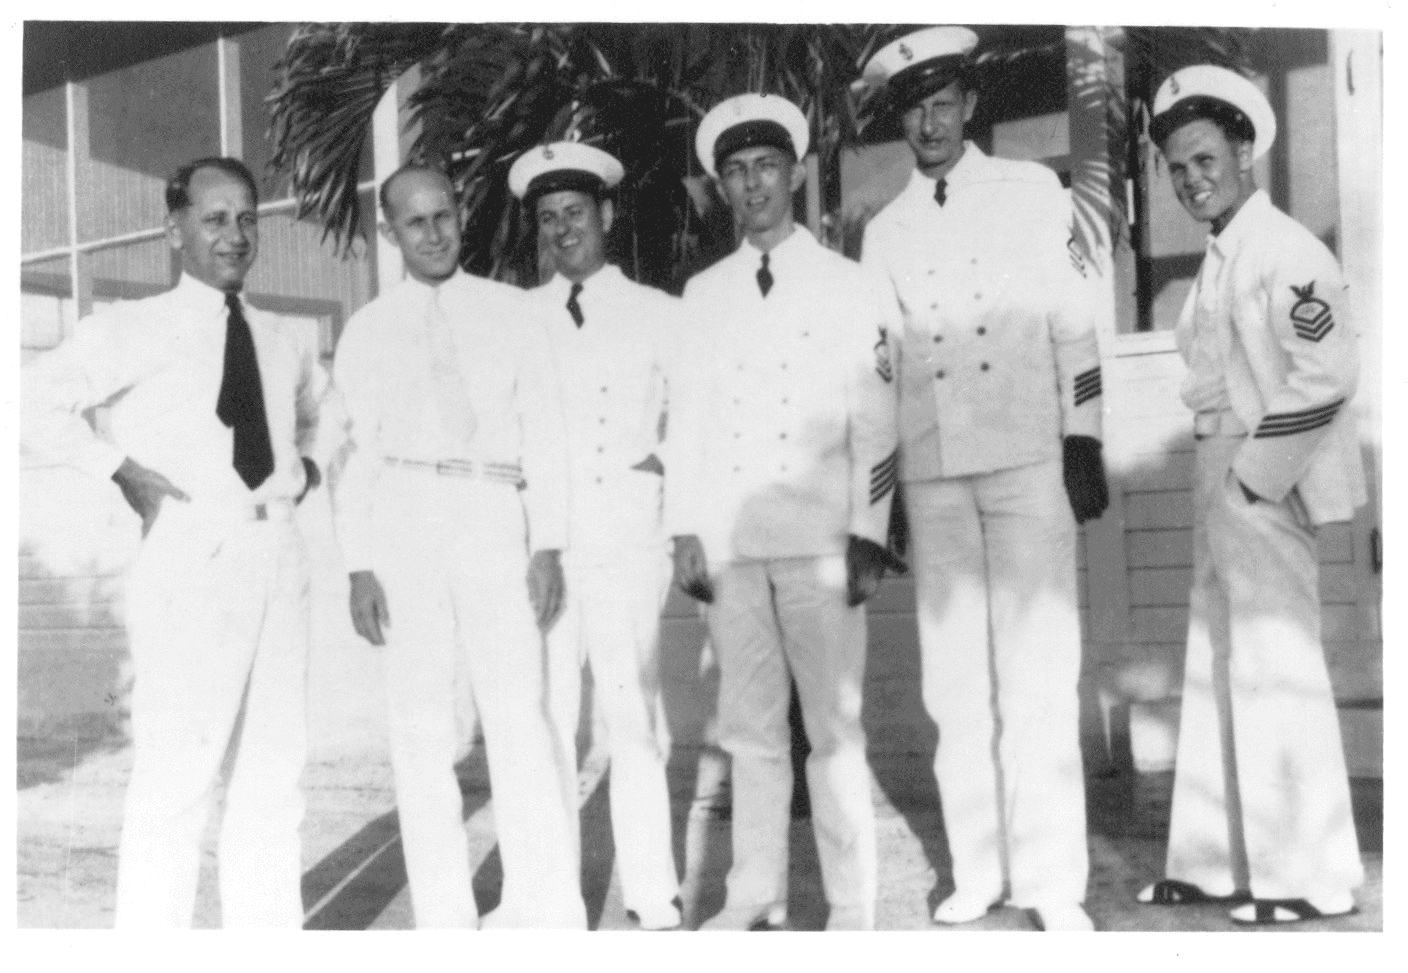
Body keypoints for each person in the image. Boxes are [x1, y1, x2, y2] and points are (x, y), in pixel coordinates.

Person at [21, 157, 330, 928]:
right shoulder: (133, 327)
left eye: (248, 218)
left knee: (272, 779)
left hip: (278, 553)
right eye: (215, 218)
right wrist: (118, 469)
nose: (235, 235)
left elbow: (329, 417)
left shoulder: (282, 338)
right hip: (192, 554)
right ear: (174, 229)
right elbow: (28, 397)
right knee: (176, 782)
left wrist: (310, 468)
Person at [857, 27, 1108, 932]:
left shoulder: (1031, 191)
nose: (929, 124)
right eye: (914, 111)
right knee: (955, 685)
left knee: (1039, 670)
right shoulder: (884, 230)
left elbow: (1075, 319)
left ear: (968, 104)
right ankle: (978, 869)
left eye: (942, 104)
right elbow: (878, 372)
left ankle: (1052, 883)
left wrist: (1083, 436)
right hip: (933, 474)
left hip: (1028, 456)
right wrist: (880, 497)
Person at [665, 93, 902, 931]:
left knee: (833, 730)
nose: (753, 184)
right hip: (735, 544)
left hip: (821, 538)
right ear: (721, 186)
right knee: (750, 730)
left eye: (766, 166)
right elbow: (688, 422)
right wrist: (685, 527)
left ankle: (851, 902)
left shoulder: (848, 283)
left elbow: (877, 417)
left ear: (796, 174)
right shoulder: (703, 293)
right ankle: (751, 894)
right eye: (735, 171)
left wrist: (870, 531)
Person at [1135, 65, 1365, 926]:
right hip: (1220, 468)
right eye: (1177, 168)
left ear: (1243, 151)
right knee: (1218, 660)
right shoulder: (1224, 253)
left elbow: (1327, 372)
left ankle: (1307, 877)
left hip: (1262, 473)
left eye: (1205, 159)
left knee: (1276, 668)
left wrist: (1254, 478)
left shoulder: (1286, 250)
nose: (1192, 179)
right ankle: (1216, 862)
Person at [331, 164, 584, 929]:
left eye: (444, 215)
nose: (435, 233)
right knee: (419, 729)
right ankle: (444, 920)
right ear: (390, 231)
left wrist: (548, 544)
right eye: (416, 222)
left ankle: (545, 911)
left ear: (461, 212)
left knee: (519, 716)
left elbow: (547, 431)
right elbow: (353, 456)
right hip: (406, 521)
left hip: (492, 513)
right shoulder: (368, 329)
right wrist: (358, 563)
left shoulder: (513, 312)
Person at [507, 141, 683, 930]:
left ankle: (652, 887)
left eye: (575, 212)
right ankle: (553, 898)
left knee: (633, 716)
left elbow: (702, 411)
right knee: (548, 715)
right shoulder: (520, 318)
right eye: (548, 218)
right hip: (545, 548)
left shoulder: (658, 312)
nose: (563, 230)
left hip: (627, 541)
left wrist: (658, 461)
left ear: (606, 214)